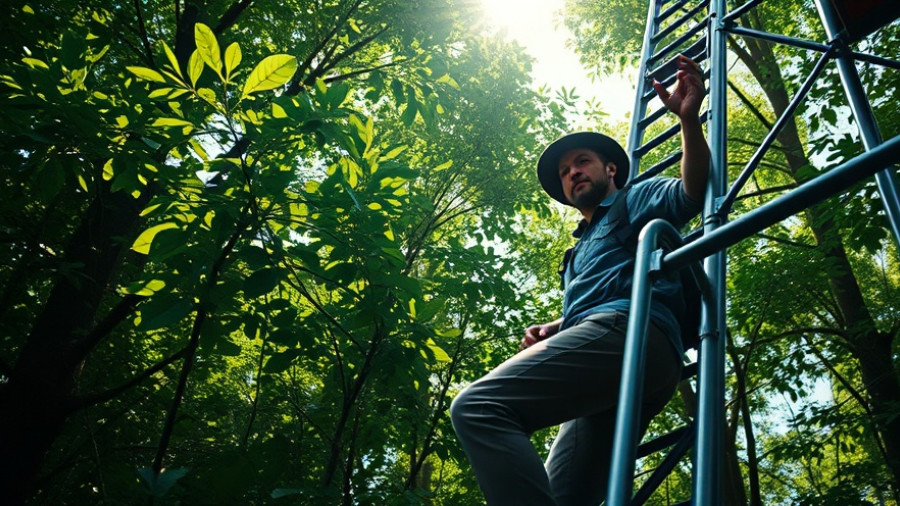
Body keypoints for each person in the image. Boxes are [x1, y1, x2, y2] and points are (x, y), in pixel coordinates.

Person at [449, 55, 710, 505]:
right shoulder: (575, 253)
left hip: (632, 333)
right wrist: (557, 327)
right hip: (611, 361)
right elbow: (605, 288)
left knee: (478, 407)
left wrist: (688, 121)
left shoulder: (635, 198)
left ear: (609, 169)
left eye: (582, 162)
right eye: (565, 172)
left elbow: (693, 191)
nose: (572, 173)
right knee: (566, 495)